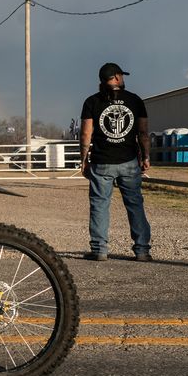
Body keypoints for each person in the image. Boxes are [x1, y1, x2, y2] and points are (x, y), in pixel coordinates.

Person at [80, 62, 152, 262]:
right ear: (118, 78)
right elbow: (143, 133)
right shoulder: (135, 100)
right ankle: (142, 250)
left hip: (102, 163)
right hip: (129, 162)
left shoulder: (92, 102)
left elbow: (86, 133)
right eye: (122, 76)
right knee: (135, 204)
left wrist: (83, 159)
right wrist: (146, 156)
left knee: (99, 205)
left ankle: (99, 250)